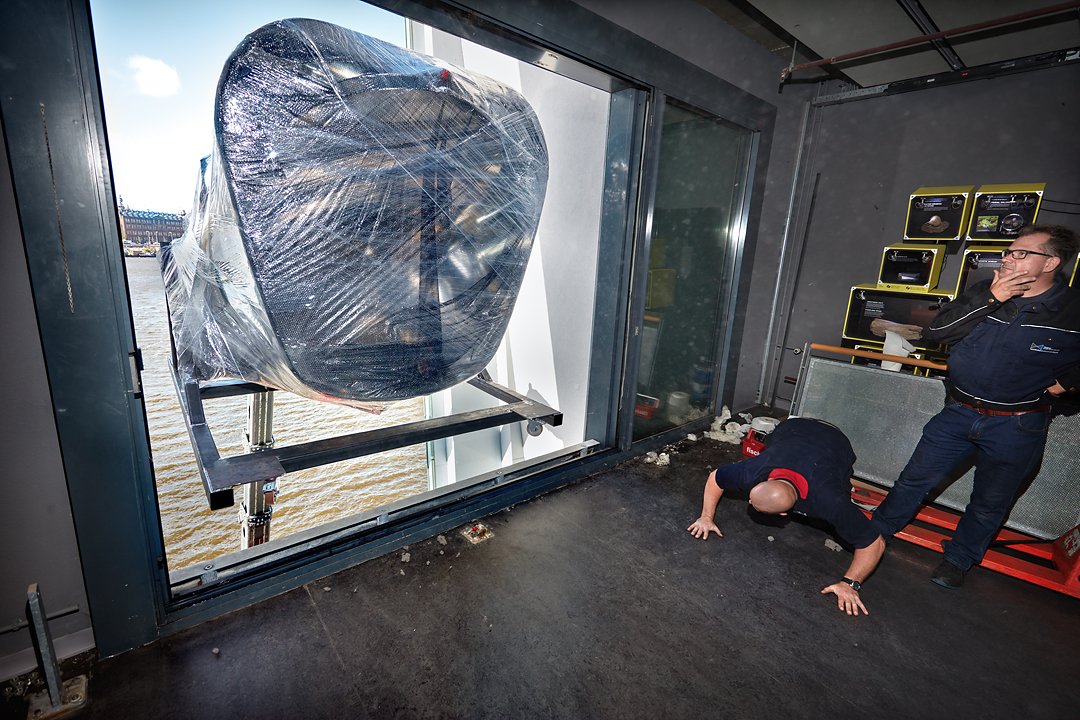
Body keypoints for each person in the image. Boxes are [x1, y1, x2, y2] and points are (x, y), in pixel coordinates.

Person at [871, 224, 1080, 589]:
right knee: (913, 480)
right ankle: (874, 534)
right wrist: (991, 299)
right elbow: (936, 334)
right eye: (1009, 251)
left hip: (1017, 425)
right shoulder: (985, 290)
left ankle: (958, 560)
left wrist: (1065, 385)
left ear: (1051, 263)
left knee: (989, 502)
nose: (1008, 258)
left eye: (1020, 253)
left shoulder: (1072, 310)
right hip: (958, 412)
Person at [687, 417, 885, 616]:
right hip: (794, 426)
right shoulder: (752, 471)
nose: (749, 502)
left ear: (784, 514)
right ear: (761, 483)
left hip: (837, 441)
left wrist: (850, 583)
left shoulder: (829, 501)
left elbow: (874, 543)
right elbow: (716, 477)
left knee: (839, 482)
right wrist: (706, 517)